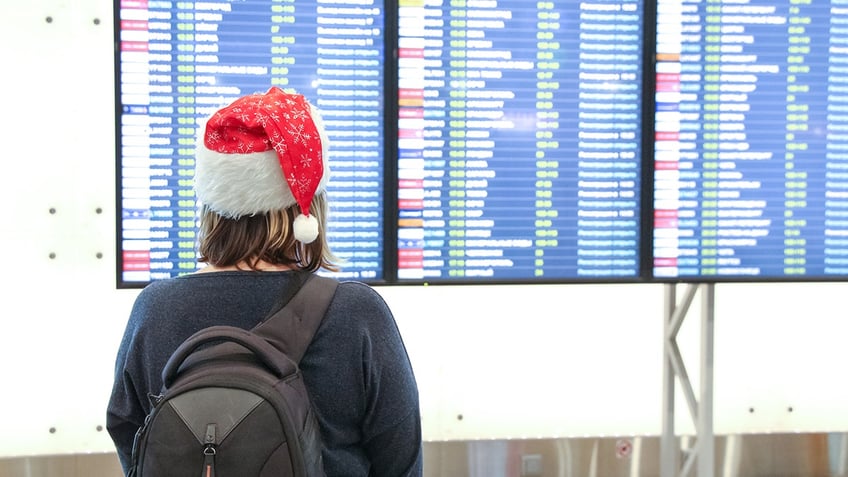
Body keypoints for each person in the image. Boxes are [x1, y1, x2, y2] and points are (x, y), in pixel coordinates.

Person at [106, 86, 423, 476]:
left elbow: (131, 439)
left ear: (211, 207)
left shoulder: (155, 309)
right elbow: (401, 460)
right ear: (308, 208)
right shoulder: (356, 313)